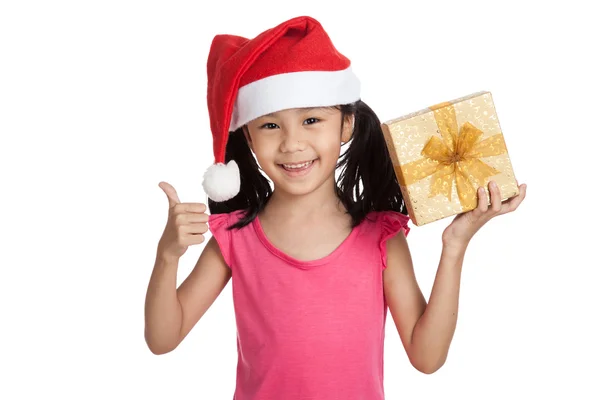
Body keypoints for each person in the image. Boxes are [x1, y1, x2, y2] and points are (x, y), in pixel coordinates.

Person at [144, 15, 527, 399]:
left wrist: (455, 244)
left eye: (312, 119)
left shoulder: (381, 235)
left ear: (346, 125)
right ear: (248, 135)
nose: (292, 143)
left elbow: (427, 357)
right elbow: (163, 338)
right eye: (270, 126)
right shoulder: (234, 237)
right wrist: (167, 256)